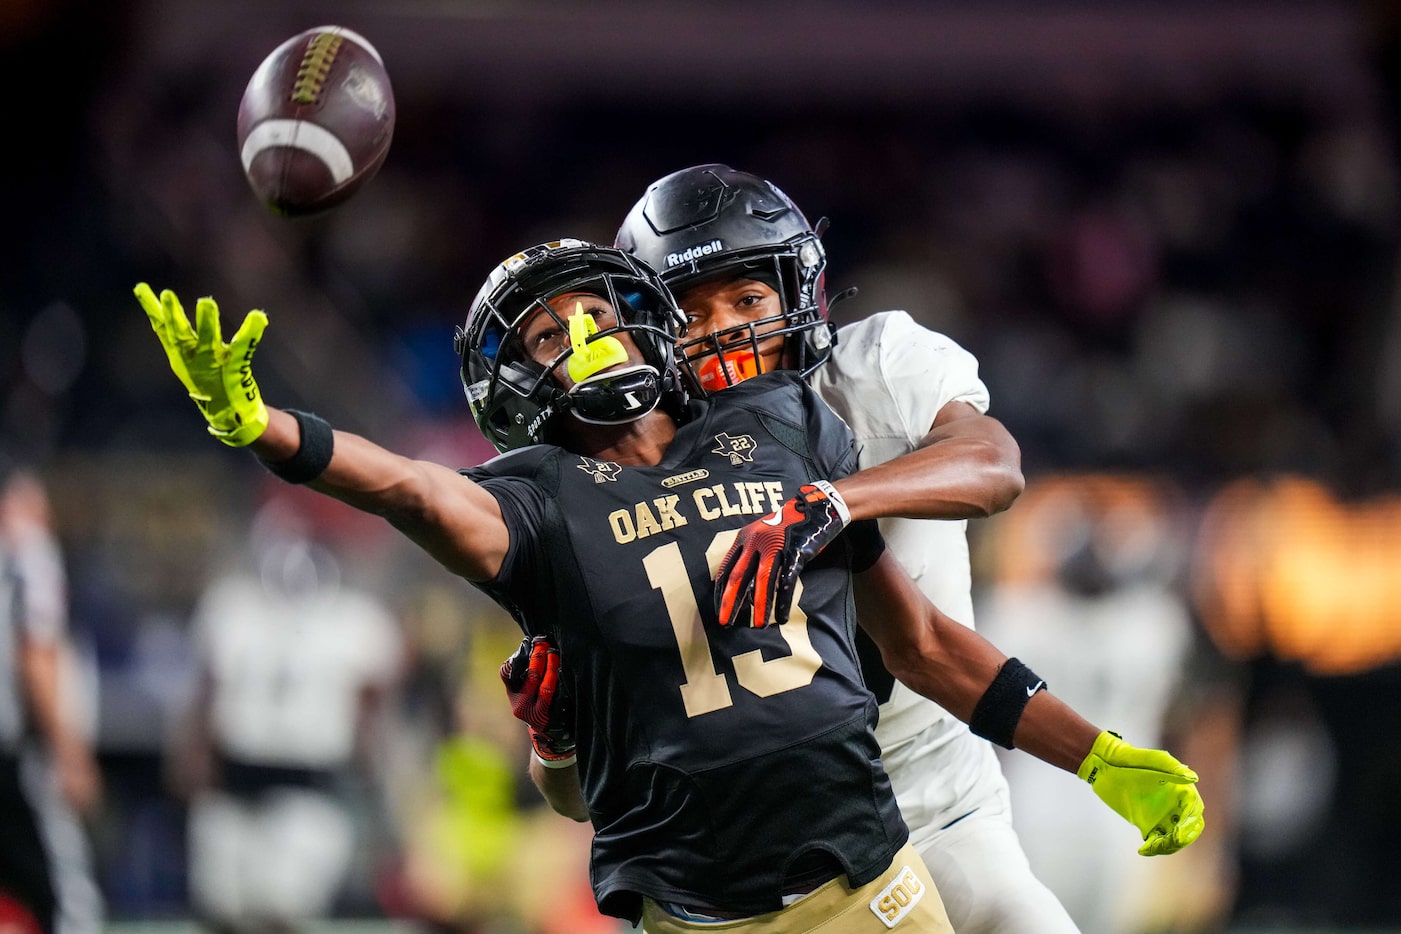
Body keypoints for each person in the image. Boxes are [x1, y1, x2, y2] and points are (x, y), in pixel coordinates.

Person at [133, 240, 1202, 932]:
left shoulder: (777, 432)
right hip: (692, 911)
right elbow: (413, 491)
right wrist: (269, 431)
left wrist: (1093, 753)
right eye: (545, 336)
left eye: (590, 312)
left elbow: (922, 640)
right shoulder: (539, 500)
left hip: (869, 870)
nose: (579, 338)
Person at [614, 162, 1076, 931]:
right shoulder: (635, 460)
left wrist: (831, 501)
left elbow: (992, 465)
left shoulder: (875, 366)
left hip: (934, 801)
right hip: (768, 853)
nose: (723, 328)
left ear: (798, 293)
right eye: (688, 314)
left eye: (747, 297)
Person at [167, 506, 404, 933]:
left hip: (309, 783)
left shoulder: (358, 621)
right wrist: (190, 752)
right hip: (233, 779)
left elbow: (373, 712)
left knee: (286, 908)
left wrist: (382, 786)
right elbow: (206, 690)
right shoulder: (231, 607)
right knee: (222, 907)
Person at [0, 460, 105, 934]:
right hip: (13, 756)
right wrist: (69, 751)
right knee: (67, 903)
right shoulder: (25, 551)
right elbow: (35, 654)